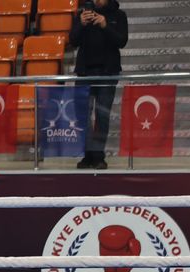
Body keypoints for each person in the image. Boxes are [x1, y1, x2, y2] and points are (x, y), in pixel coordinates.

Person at [70, 0, 127, 170]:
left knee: (102, 117)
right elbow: (73, 40)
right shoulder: (81, 15)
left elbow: (122, 41)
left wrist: (105, 25)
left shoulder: (119, 15)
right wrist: (80, 24)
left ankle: (98, 155)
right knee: (82, 116)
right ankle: (87, 155)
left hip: (107, 73)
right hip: (84, 73)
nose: (97, 0)